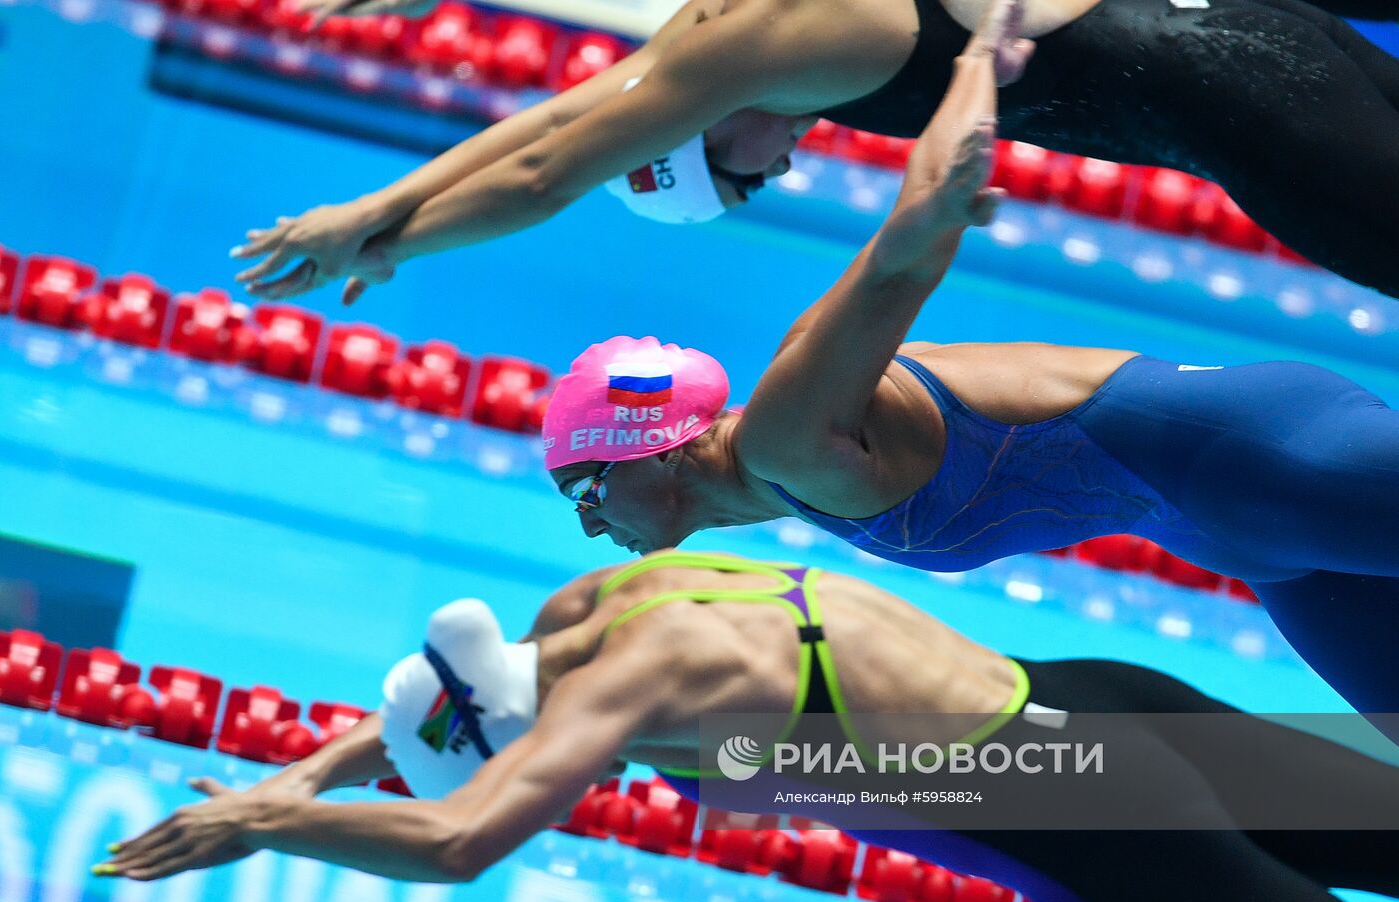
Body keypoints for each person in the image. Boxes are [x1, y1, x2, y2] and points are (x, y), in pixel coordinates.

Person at [538, 31, 1399, 741]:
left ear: (656, 446)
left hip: (1268, 462)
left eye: (585, 486)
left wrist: (979, 57)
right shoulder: (780, 477)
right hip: (1240, 535)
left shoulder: (783, 436)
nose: (587, 518)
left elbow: (897, 262)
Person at [99, 552, 1399, 902]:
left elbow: (452, 839)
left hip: (1068, 796)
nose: (578, 775)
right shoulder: (586, 614)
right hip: (1094, 696)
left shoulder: (628, 691)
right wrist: (303, 770)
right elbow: (430, 719)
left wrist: (262, 822)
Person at [228, 0, 1399, 301]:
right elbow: (553, 121)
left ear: (685, 145)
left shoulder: (754, 53)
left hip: (1249, 109)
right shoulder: (714, 35)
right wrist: (378, 212)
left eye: (746, 174)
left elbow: (548, 173)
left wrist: (384, 248)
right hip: (1275, 40)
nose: (783, 164)